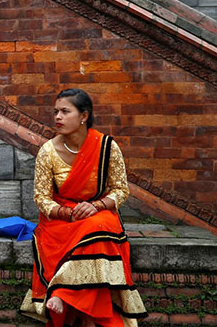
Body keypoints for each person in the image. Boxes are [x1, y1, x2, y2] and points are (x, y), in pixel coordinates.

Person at [19, 88, 147, 327]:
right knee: (90, 229)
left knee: (98, 227)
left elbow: (121, 190)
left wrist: (96, 205)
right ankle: (87, 317)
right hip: (61, 217)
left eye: (65, 112)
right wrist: (66, 212)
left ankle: (63, 294)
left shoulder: (107, 147)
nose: (57, 117)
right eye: (56, 111)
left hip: (98, 212)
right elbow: (41, 198)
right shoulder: (47, 151)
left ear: (83, 116)